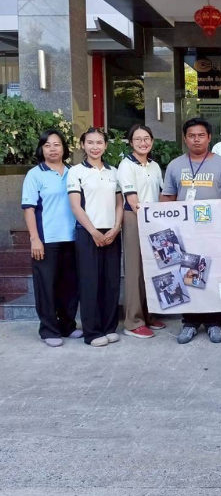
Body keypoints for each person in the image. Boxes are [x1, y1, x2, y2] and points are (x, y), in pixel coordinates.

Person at [161, 117, 221, 344]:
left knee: (213, 275)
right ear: (185, 138)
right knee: (187, 275)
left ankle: (215, 322)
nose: (196, 139)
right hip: (185, 232)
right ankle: (190, 322)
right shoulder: (175, 165)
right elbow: (167, 198)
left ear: (209, 138)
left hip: (214, 231)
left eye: (201, 135)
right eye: (192, 136)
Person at [21, 130, 81, 347]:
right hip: (47, 239)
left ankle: (67, 326)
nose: (53, 149)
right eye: (47, 145)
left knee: (70, 286)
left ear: (64, 148)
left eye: (57, 144)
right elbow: (29, 209)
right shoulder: (35, 174)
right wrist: (34, 239)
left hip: (73, 238)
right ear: (41, 149)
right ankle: (48, 329)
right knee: (46, 287)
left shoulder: (74, 172)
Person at [67, 128, 123, 347]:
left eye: (99, 142)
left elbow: (119, 203)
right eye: (90, 142)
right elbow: (75, 206)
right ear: (83, 145)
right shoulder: (76, 171)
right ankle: (92, 332)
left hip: (111, 232)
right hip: (88, 232)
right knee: (90, 282)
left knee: (111, 282)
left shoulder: (113, 172)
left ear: (106, 145)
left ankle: (109, 327)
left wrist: (116, 227)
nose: (95, 147)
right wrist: (93, 231)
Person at [117, 124, 165, 340]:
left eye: (146, 138)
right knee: (135, 271)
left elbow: (162, 194)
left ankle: (149, 314)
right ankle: (133, 322)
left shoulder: (154, 166)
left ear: (152, 141)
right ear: (130, 142)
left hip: (154, 220)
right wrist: (150, 218)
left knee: (153, 269)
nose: (143, 143)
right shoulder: (126, 165)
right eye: (137, 139)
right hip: (134, 219)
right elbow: (132, 200)